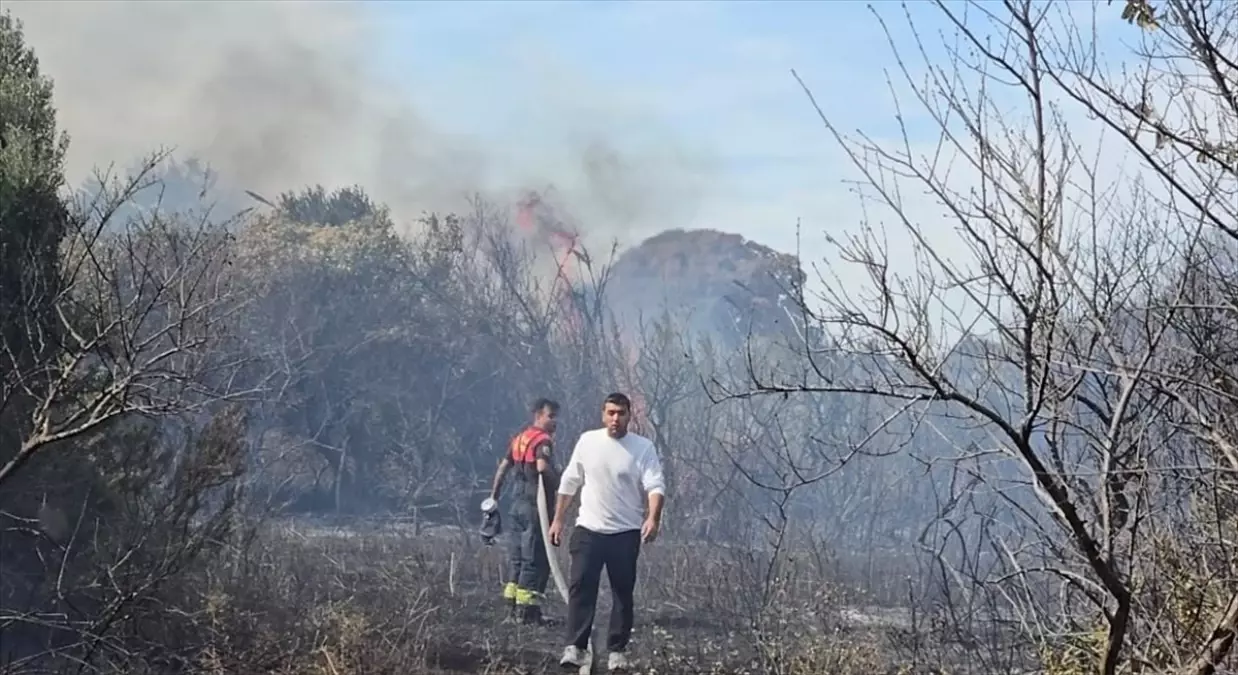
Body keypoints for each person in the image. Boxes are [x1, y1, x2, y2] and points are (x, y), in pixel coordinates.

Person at [549, 392, 666, 673]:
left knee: (622, 592)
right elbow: (569, 481)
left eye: (621, 413)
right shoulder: (588, 441)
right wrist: (557, 520)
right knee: (580, 587)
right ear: (603, 414)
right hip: (589, 528)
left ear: (629, 416)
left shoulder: (642, 447)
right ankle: (575, 647)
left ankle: (617, 650)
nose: (615, 418)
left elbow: (655, 486)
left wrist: (653, 518)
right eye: (611, 413)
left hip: (624, 533)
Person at [488, 397, 561, 625]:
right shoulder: (543, 441)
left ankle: (511, 609)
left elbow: (503, 468)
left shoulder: (520, 439)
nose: (554, 421)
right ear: (538, 415)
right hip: (535, 506)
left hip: (516, 504)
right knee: (535, 557)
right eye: (551, 416)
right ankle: (527, 612)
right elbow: (542, 467)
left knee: (517, 557)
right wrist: (561, 483)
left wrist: (494, 497)